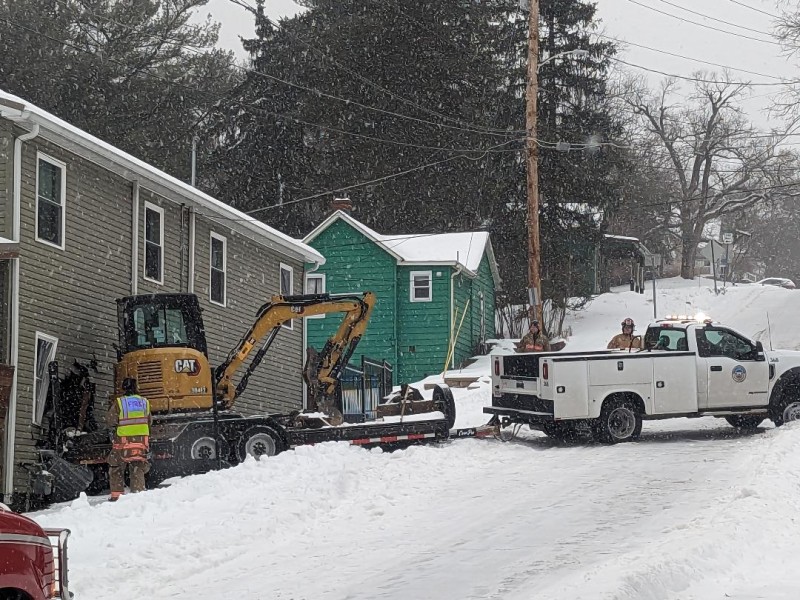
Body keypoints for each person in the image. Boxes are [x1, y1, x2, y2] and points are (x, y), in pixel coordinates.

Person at [107, 378, 152, 501]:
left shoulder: (119, 403)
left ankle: (116, 496)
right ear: (136, 387)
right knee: (137, 466)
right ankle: (138, 494)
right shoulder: (144, 402)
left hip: (123, 442)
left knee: (115, 466)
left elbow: (110, 420)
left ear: (123, 388)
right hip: (141, 442)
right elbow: (149, 421)